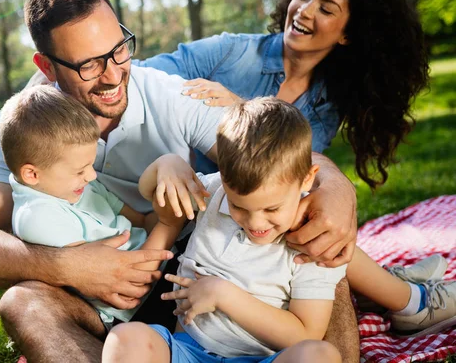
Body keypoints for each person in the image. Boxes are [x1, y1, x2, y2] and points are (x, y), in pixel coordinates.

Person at [0, 0, 359, 363]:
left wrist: (337, 185)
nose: (114, 75)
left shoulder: (165, 93)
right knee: (21, 303)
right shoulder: (21, 125)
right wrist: (74, 268)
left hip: (189, 275)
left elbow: (268, 154)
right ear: (47, 67)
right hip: (101, 304)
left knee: (317, 246)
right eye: (88, 66)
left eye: (118, 50)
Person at [102, 98, 455, 363]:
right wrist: (167, 165)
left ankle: (403, 294)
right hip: (188, 351)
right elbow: (153, 195)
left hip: (263, 358)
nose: (256, 223)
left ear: (306, 182)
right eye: (240, 207)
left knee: (319, 355)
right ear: (224, 180)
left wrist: (224, 295)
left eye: (272, 209)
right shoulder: (212, 195)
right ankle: (400, 289)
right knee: (125, 340)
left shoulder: (311, 244)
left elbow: (304, 332)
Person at [137, 0, 430, 188]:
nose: (304, 11)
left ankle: (390, 272)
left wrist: (242, 111)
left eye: (326, 9)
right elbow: (140, 75)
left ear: (347, 35)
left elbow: (286, 174)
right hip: (177, 200)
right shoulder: (232, 53)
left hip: (257, 220)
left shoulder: (325, 106)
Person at [0, 84, 188, 329]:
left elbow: (141, 221)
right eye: (80, 170)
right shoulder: (38, 217)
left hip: (160, 259)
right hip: (138, 306)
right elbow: (130, 285)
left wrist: (173, 209)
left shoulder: (76, 185)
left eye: (91, 164)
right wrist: (169, 224)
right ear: (32, 174)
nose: (92, 176)